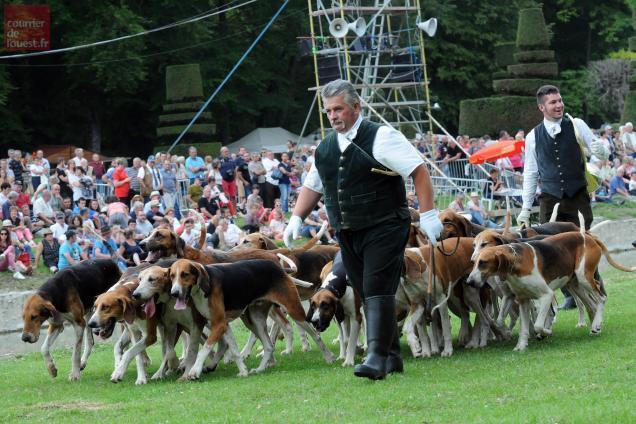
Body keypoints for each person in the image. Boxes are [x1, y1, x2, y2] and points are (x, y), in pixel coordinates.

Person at [283, 79, 442, 380]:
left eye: (338, 109)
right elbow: (313, 185)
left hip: (385, 225)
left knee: (378, 286)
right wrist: (297, 217)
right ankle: (393, 356)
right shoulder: (327, 147)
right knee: (368, 290)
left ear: (356, 107)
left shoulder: (382, 137)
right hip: (348, 231)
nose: (333, 115)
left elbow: (418, 171)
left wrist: (430, 214)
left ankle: (375, 357)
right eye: (328, 111)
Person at [518, 85, 609, 310]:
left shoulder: (576, 124)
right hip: (550, 200)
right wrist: (525, 207)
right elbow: (530, 172)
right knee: (550, 248)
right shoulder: (532, 136)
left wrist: (602, 150)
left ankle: (596, 286)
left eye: (560, 100)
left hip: (577, 196)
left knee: (583, 243)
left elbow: (601, 152)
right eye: (553, 102)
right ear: (542, 107)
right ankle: (569, 294)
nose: (559, 105)